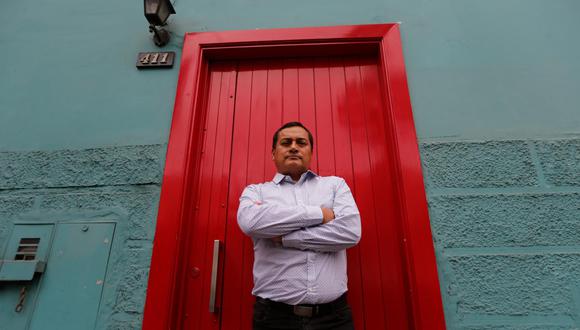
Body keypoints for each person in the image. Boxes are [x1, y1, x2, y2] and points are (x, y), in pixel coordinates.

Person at [237, 121, 362, 330]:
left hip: (334, 319)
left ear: (310, 151)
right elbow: (251, 222)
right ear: (273, 153)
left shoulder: (335, 186)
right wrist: (319, 214)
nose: (294, 147)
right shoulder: (256, 191)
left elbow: (350, 232)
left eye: (301, 142)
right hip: (274, 318)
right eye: (286, 142)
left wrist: (286, 238)